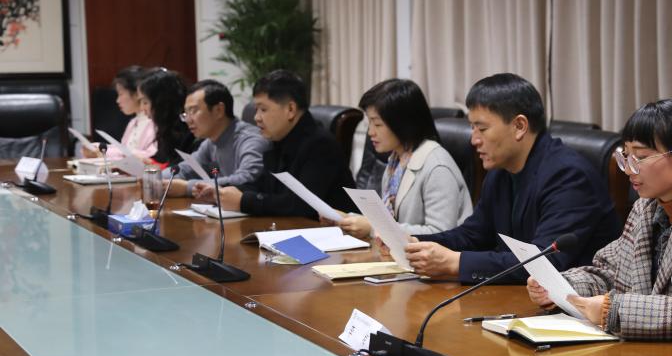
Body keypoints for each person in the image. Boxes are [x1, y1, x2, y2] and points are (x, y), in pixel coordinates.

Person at [526, 99, 672, 340]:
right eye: (626, 157)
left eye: (640, 158)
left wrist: (615, 311)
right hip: (643, 352)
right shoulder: (646, 208)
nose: (628, 169)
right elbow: (610, 274)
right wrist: (559, 286)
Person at [406, 73, 621, 283]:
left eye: (482, 129)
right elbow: (473, 235)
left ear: (519, 126)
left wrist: (456, 263)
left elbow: (544, 261)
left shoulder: (569, 176)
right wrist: (415, 244)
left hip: (575, 300)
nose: (474, 140)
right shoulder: (500, 171)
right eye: (472, 128)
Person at [321, 79, 471, 237]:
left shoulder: (438, 167)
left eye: (377, 124)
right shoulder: (396, 161)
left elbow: (441, 234)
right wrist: (346, 219)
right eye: (369, 123)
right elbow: (390, 221)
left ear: (402, 123)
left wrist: (373, 228)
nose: (370, 132)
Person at [216, 70, 356, 217]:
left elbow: (302, 206)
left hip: (333, 229)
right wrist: (225, 192)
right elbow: (263, 185)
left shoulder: (321, 145)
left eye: (263, 109)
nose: (256, 117)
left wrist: (244, 201)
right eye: (256, 110)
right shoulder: (279, 138)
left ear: (290, 109)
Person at [164, 79, 268, 201]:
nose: (188, 120)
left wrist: (188, 187)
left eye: (193, 111)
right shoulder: (211, 142)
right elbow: (186, 168)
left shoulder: (250, 139)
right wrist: (154, 177)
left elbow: (247, 178)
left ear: (219, 110)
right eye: (186, 114)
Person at [82, 65, 156, 160]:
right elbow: (123, 151)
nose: (117, 100)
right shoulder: (133, 122)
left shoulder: (154, 123)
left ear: (137, 93)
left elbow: (150, 157)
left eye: (121, 94)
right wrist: (99, 148)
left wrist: (105, 151)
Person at [137, 69, 195, 167]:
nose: (142, 108)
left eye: (145, 102)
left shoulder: (187, 129)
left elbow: (182, 168)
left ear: (161, 102)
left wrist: (152, 165)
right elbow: (162, 160)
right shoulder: (166, 127)